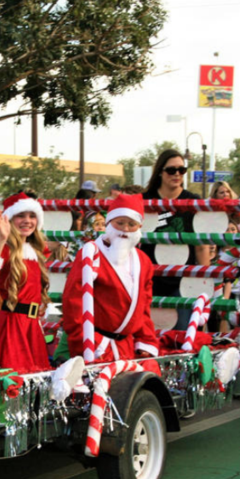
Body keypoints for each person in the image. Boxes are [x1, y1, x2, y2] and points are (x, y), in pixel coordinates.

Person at [62, 194, 159, 363]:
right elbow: (73, 302)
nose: (125, 229)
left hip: (128, 348)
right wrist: (87, 340)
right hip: (97, 348)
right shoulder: (90, 254)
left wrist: (145, 340)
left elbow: (143, 306)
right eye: (119, 223)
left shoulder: (143, 261)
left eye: (131, 224)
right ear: (109, 224)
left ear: (139, 226)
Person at [0, 193, 51, 373]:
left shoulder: (34, 251)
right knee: (13, 379)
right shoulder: (5, 247)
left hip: (32, 327)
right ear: (10, 219)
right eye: (21, 215)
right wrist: (2, 238)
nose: (27, 221)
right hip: (12, 326)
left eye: (32, 216)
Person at [141, 149, 199, 330]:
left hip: (183, 278)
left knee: (182, 333)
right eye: (171, 170)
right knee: (147, 334)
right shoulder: (144, 200)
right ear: (160, 171)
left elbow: (201, 245)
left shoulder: (193, 201)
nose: (177, 174)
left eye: (182, 170)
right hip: (148, 277)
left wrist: (204, 277)